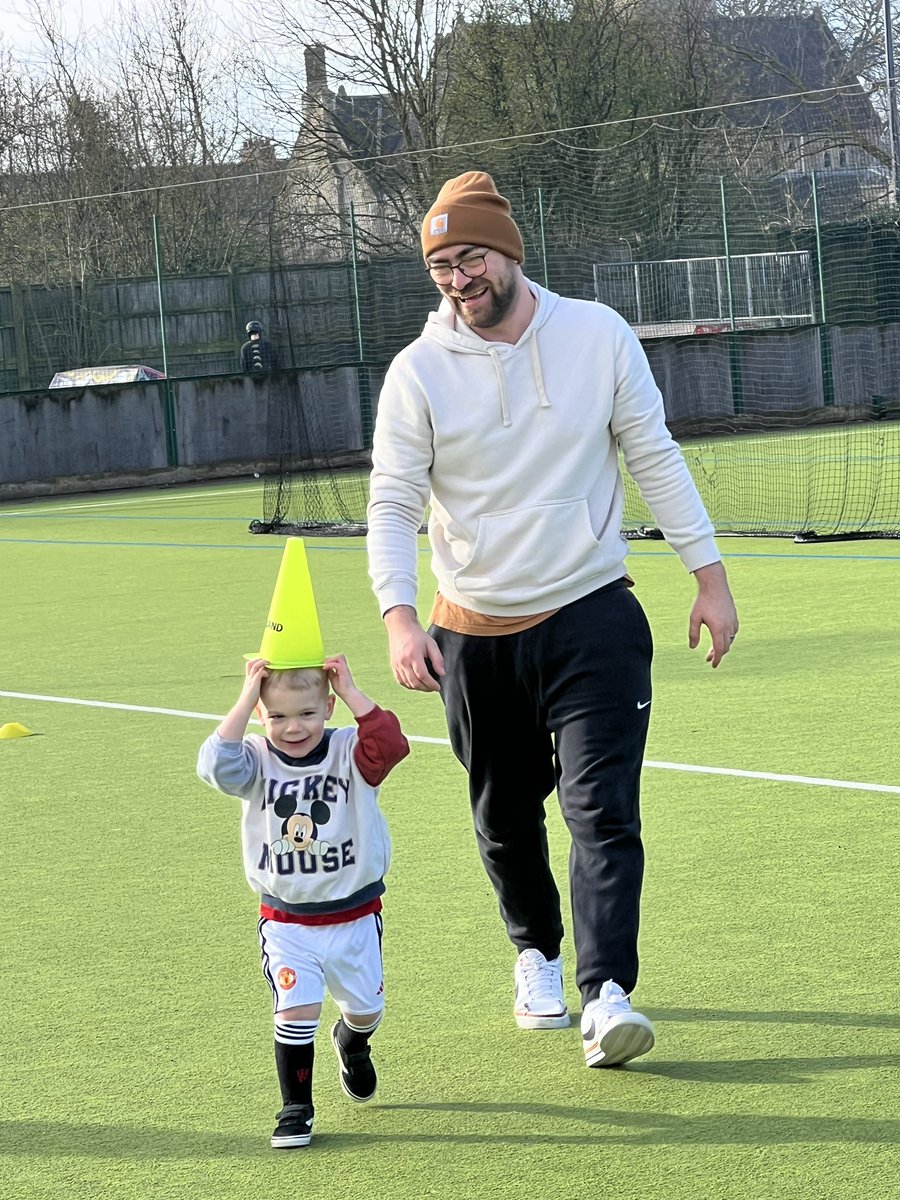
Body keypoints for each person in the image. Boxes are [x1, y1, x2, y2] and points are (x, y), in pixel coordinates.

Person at [366, 171, 739, 1070]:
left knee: (601, 811)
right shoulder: (417, 372)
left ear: (512, 252)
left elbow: (653, 454)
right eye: (443, 264)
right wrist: (400, 617)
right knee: (502, 815)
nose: (461, 278)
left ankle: (607, 995)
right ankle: (535, 951)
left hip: (591, 614)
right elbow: (392, 500)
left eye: (475, 257)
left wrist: (710, 578)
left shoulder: (597, 336)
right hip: (474, 633)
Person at [197, 654, 409, 1147]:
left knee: (365, 1012)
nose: (293, 728)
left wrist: (353, 691)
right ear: (260, 716)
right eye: (278, 716)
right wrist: (248, 695)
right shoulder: (253, 759)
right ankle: (296, 1109)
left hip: (354, 917)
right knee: (297, 1012)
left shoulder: (349, 750)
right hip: (287, 921)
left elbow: (391, 745)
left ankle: (353, 1045)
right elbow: (214, 765)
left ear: (329, 708)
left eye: (307, 714)